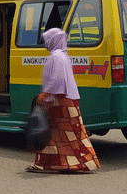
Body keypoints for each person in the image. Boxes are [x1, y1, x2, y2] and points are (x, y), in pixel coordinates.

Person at [26, 28, 100, 173]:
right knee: (68, 135)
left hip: (60, 101)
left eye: (47, 40)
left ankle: (50, 164)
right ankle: (73, 164)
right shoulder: (63, 56)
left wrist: (44, 94)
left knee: (52, 135)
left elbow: (57, 79)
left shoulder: (56, 57)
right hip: (69, 100)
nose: (46, 43)